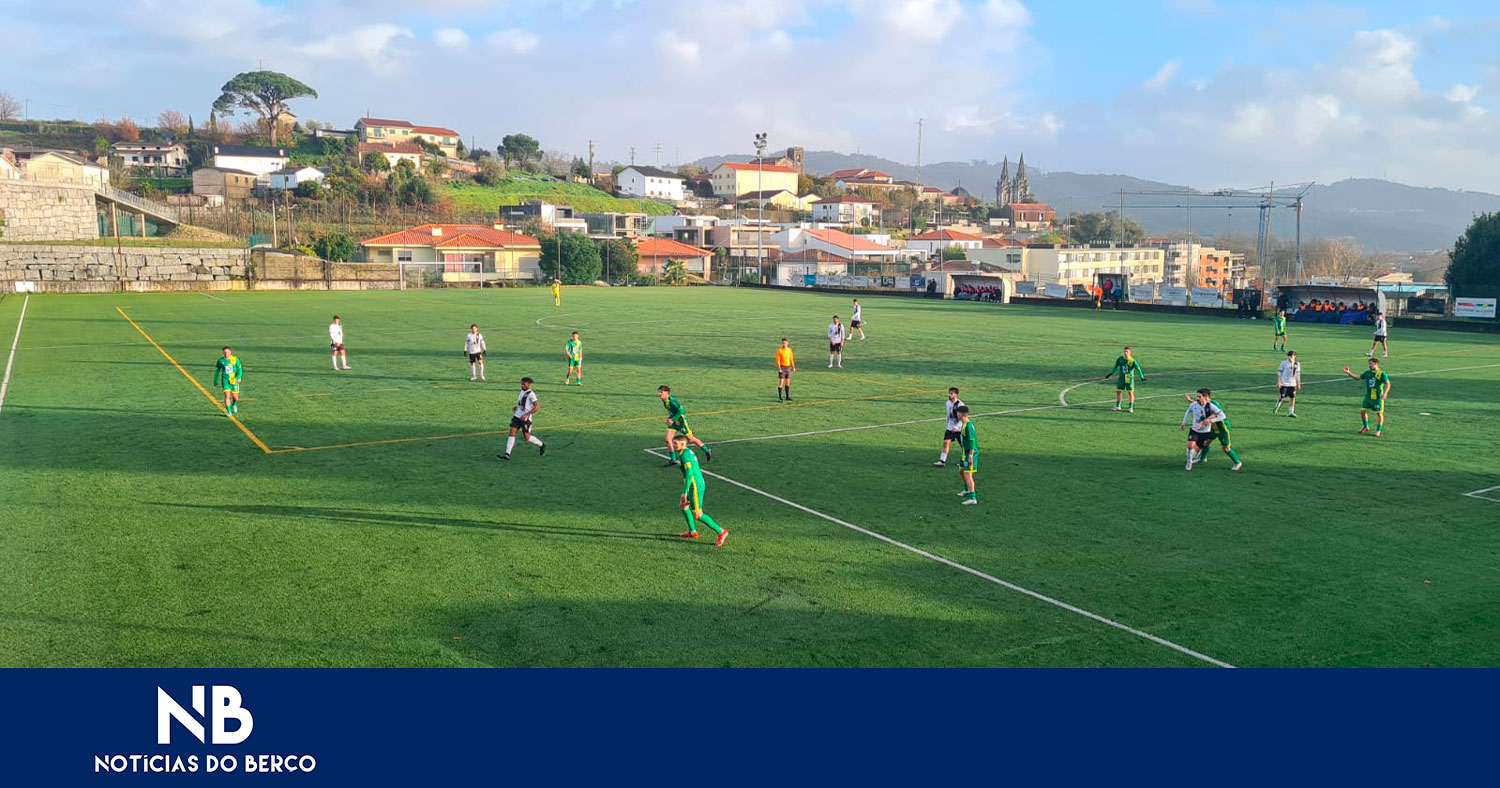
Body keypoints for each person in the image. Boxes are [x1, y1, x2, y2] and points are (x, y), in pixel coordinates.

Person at [674, 434, 729, 546]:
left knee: (698, 514)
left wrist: (684, 492)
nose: (673, 445)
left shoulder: (684, 456)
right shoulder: (685, 452)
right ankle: (692, 532)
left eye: (675, 443)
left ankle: (721, 532)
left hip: (695, 487)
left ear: (683, 444)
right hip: (693, 485)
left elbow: (689, 475)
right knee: (683, 506)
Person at [1181, 388, 1242, 471]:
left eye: (1200, 397)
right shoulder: (1203, 403)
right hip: (1212, 429)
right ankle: (1203, 458)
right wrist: (1190, 401)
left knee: (1226, 448)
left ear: (1206, 397)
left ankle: (1237, 462)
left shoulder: (1213, 404)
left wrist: (1204, 422)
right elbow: (1198, 406)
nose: (1198, 399)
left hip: (1222, 429)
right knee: (1206, 443)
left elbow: (1215, 415)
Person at [659, 385, 711, 466]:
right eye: (659, 392)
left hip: (681, 422)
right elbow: (673, 411)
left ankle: (706, 449)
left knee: (690, 439)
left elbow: (682, 411)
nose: (659, 394)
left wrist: (672, 419)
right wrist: (670, 417)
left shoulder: (672, 401)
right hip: (674, 423)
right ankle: (673, 459)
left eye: (661, 392)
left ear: (667, 393)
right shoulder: (664, 401)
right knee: (667, 439)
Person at [498, 377, 546, 460]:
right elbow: (523, 404)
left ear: (529, 385)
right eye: (521, 384)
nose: (522, 385)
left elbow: (537, 407)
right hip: (517, 416)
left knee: (527, 437)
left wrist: (527, 414)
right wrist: (517, 407)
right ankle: (507, 454)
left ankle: (542, 445)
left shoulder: (531, 394)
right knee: (512, 432)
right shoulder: (521, 392)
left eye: (524, 384)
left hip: (525, 420)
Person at [1344, 358, 1391, 437]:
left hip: (1377, 398)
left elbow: (1388, 384)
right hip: (1368, 397)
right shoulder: (1367, 373)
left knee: (1379, 414)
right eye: (1369, 364)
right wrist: (1348, 373)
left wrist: (1385, 393)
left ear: (1376, 364)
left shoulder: (1382, 373)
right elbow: (1358, 378)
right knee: (1362, 411)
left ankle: (1378, 431)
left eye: (1371, 364)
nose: (1369, 365)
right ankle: (1366, 427)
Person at [1104, 346, 1147, 413]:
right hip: (1121, 378)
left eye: (1127, 351)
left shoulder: (1133, 361)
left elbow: (1138, 369)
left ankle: (1130, 407)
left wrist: (1142, 377)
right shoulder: (1120, 359)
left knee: (1130, 392)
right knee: (1118, 391)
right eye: (1124, 351)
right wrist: (1111, 373)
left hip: (1128, 378)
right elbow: (1115, 366)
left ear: (1130, 352)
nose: (1125, 353)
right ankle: (1118, 406)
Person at [933, 387, 965, 467]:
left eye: (951, 393)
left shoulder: (960, 405)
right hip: (950, 427)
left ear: (956, 395)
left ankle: (965, 461)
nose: (949, 395)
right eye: (949, 393)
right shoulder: (947, 403)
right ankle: (942, 461)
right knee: (945, 443)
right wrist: (947, 424)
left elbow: (963, 418)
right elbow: (948, 415)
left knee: (963, 445)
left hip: (959, 428)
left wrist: (957, 427)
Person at [955, 406, 979, 505]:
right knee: (961, 470)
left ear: (961, 414)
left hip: (970, 454)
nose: (957, 415)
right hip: (965, 453)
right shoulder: (964, 424)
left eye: (958, 413)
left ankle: (972, 498)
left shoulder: (968, 426)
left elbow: (972, 442)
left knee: (968, 475)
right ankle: (967, 489)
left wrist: (970, 456)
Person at [213, 346, 243, 418]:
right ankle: (229, 412)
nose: (226, 353)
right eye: (224, 352)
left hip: (234, 381)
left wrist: (239, 377)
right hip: (225, 381)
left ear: (230, 352)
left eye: (227, 352)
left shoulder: (235, 359)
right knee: (227, 396)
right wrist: (215, 380)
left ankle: (234, 404)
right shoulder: (220, 361)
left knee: (236, 398)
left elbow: (240, 369)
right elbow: (217, 371)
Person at [1274, 351, 1302, 417]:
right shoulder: (1284, 363)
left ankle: (1291, 412)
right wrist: (1279, 382)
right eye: (1289, 356)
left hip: (1292, 384)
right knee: (1282, 397)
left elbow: (1298, 374)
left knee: (1292, 397)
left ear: (1295, 356)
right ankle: (1276, 406)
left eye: (1292, 356)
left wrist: (1298, 383)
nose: (1290, 357)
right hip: (1284, 383)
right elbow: (1279, 373)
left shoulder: (1297, 364)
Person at [775, 338, 796, 402]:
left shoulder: (789, 350)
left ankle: (787, 396)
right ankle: (780, 397)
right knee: (781, 383)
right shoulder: (780, 350)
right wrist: (779, 369)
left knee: (787, 383)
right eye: (783, 343)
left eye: (785, 343)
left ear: (788, 343)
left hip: (788, 367)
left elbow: (791, 359)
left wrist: (793, 367)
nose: (784, 344)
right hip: (782, 367)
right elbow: (778, 361)